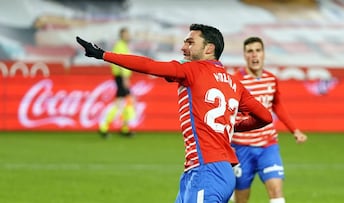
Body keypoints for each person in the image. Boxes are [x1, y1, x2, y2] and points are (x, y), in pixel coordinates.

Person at [76, 23, 273, 203]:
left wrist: (103, 55)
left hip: (207, 171)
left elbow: (149, 65)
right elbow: (265, 117)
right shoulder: (234, 84)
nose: (183, 47)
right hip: (203, 171)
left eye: (190, 42)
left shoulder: (191, 70)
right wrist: (232, 125)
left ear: (209, 48)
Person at [230, 37, 308, 203]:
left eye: (258, 50)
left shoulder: (271, 79)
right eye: (250, 51)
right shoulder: (235, 81)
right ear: (244, 55)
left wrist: (295, 130)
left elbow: (278, 106)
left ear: (263, 54)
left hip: (268, 146)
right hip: (241, 148)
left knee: (276, 191)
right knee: (241, 198)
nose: (254, 55)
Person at [98, 27, 136, 138]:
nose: (129, 36)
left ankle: (123, 127)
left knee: (124, 102)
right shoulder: (120, 46)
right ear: (122, 35)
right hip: (121, 77)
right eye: (126, 34)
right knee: (122, 102)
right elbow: (121, 62)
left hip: (121, 77)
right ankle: (105, 127)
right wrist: (125, 78)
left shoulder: (122, 45)